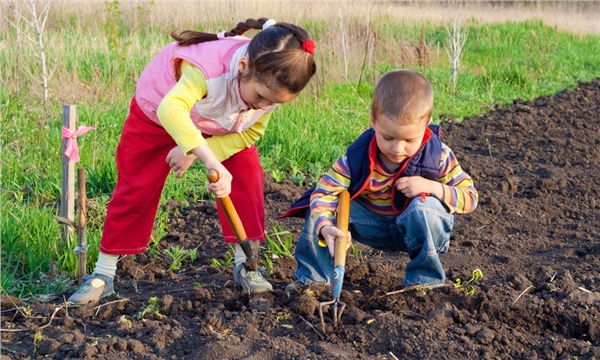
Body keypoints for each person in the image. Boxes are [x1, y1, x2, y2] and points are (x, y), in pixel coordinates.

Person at [68, 18, 317, 304]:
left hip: (222, 125)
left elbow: (252, 132)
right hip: (158, 115)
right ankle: (103, 274)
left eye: (273, 103)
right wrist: (207, 157)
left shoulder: (269, 89)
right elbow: (171, 110)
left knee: (247, 179)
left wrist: (195, 151)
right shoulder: (207, 70)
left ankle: (247, 266)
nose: (262, 106)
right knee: (136, 188)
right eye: (260, 96)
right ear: (243, 67)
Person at [280, 70, 477, 291]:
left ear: (427, 124)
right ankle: (314, 282)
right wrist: (325, 227)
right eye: (388, 137)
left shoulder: (438, 155)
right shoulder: (357, 157)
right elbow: (324, 192)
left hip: (419, 229)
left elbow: (470, 198)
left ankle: (424, 284)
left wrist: (432, 187)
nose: (397, 148)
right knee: (320, 207)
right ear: (373, 121)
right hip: (373, 225)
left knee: (425, 207)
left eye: (409, 139)